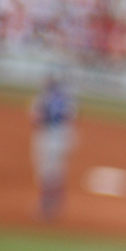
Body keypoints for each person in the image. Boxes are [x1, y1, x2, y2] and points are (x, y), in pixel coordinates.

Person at [30, 76, 77, 221]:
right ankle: (59, 202)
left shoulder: (42, 99)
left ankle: (46, 205)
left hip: (48, 137)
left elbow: (36, 119)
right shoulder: (67, 99)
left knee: (46, 172)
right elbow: (72, 118)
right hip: (65, 137)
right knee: (58, 171)